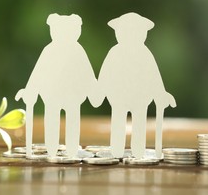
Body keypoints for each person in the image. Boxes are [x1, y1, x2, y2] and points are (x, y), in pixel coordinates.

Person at [92, 12, 176, 159]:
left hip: (140, 99)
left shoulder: (145, 54)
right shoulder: (115, 52)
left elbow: (154, 77)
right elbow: (105, 75)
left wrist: (161, 94)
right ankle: (117, 151)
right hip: (118, 98)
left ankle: (138, 151)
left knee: (139, 124)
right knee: (118, 122)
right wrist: (99, 93)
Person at [16, 13, 97, 158]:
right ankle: (52, 149)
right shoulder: (49, 50)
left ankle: (72, 150)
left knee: (72, 122)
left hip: (73, 96)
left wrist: (95, 91)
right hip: (51, 96)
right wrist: (30, 91)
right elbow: (38, 73)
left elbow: (87, 74)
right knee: (52, 121)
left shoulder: (78, 50)